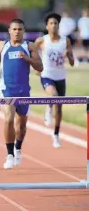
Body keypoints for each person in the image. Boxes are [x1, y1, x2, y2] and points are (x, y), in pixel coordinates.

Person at [0, 19, 43, 169]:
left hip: (24, 91)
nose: (17, 31)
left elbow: (40, 66)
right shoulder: (2, 45)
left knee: (22, 126)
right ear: (9, 31)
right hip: (7, 90)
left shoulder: (29, 46)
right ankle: (10, 154)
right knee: (8, 119)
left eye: (20, 29)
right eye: (14, 29)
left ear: (23, 31)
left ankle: (18, 148)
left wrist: (27, 58)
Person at [35, 13, 74, 148]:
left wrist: (69, 55)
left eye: (56, 23)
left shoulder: (65, 41)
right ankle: (48, 109)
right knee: (52, 95)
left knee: (59, 107)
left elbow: (73, 62)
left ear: (59, 25)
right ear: (47, 26)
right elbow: (32, 52)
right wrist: (36, 66)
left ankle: (56, 134)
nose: (53, 26)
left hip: (60, 77)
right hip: (47, 75)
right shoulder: (42, 40)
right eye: (51, 23)